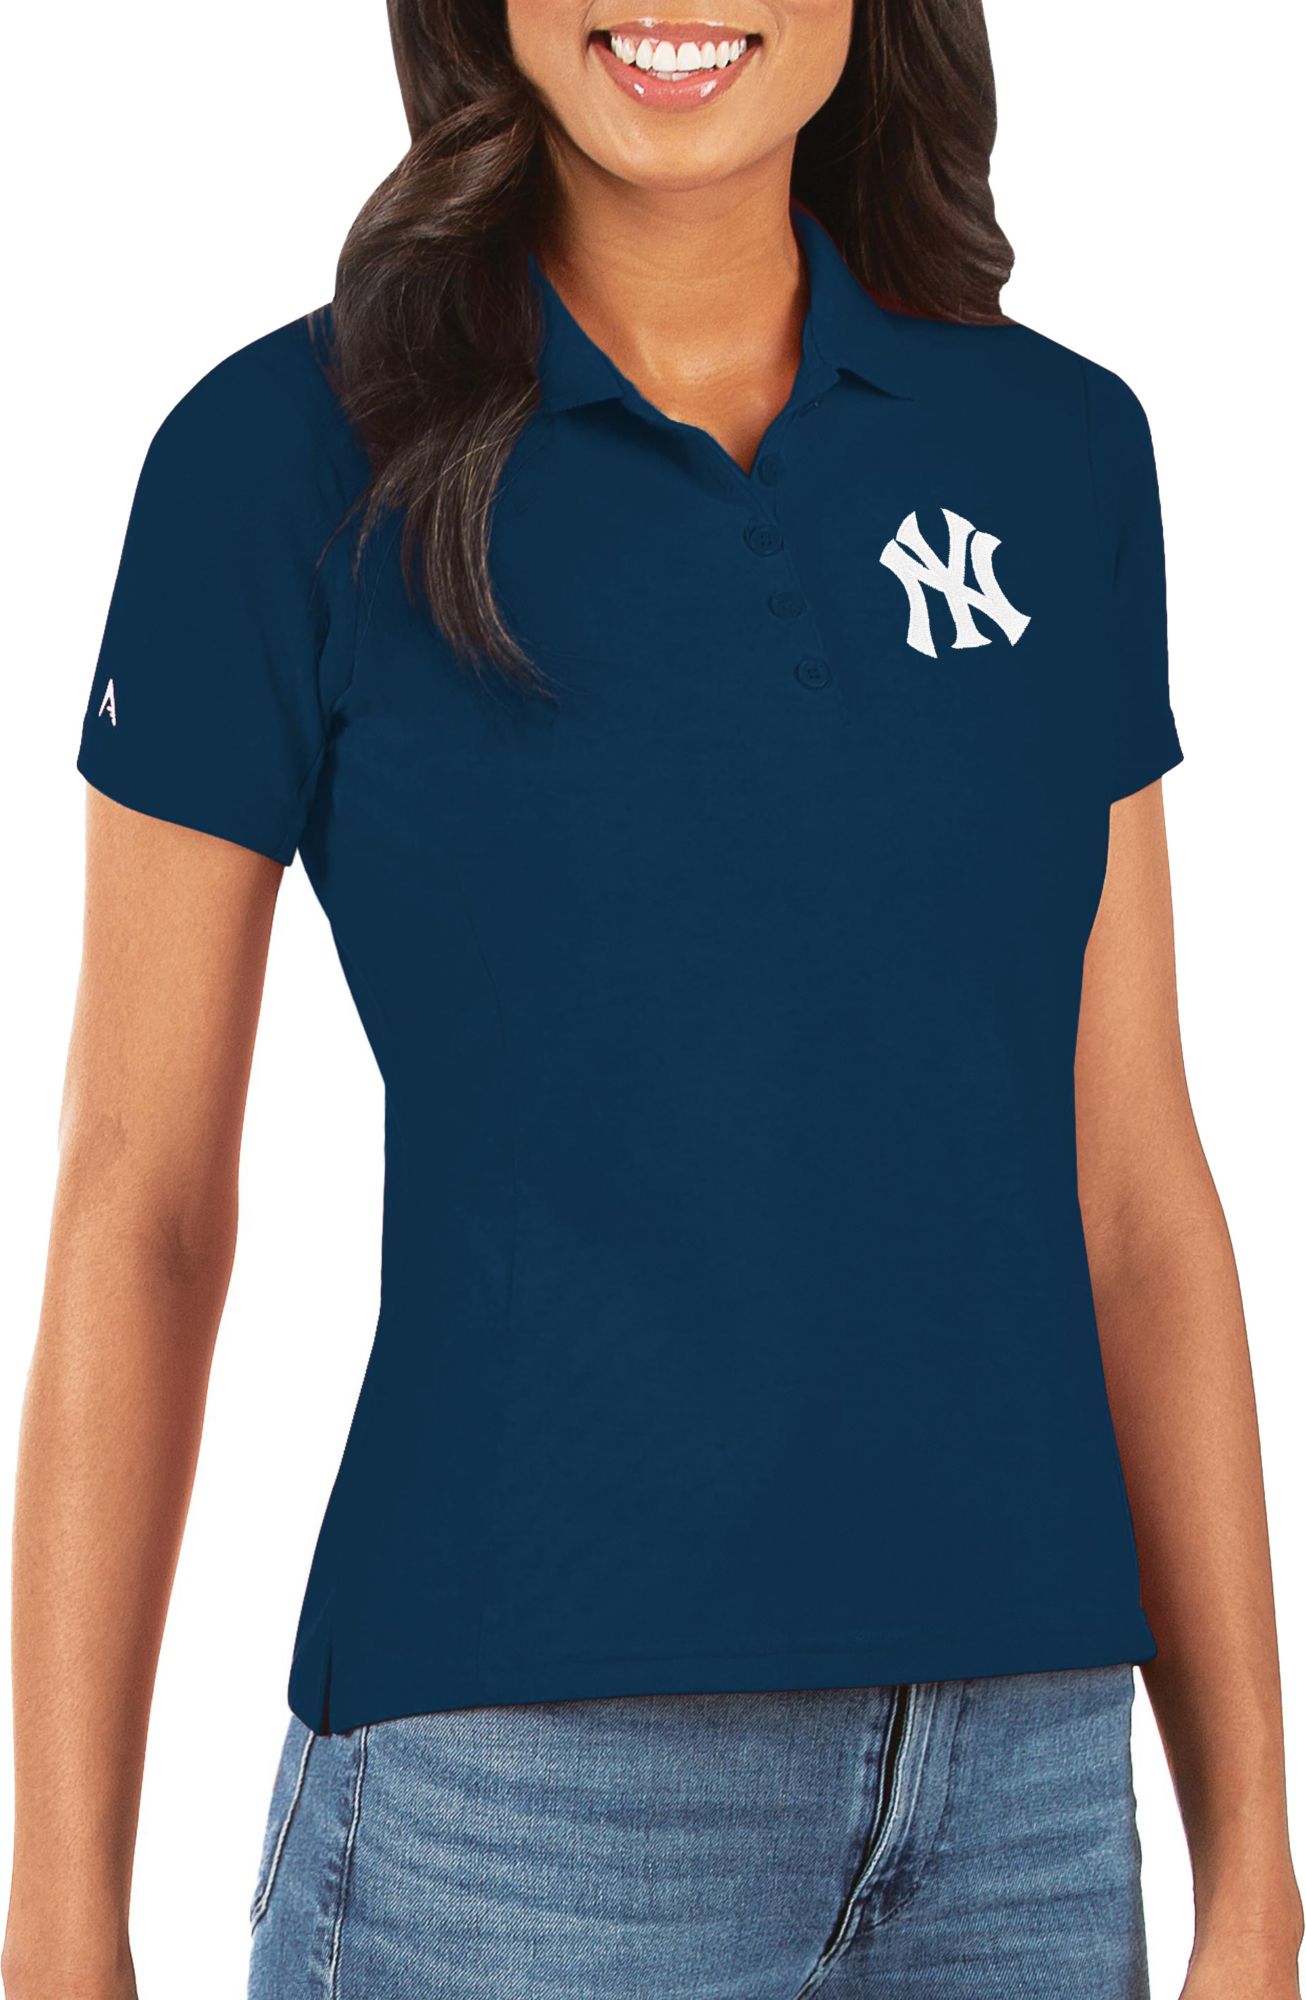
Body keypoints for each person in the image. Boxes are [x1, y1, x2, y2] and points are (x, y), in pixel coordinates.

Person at [4, 0, 1301, 1994]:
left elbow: (1130, 1190)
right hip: (522, 1797)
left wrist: (1254, 1870)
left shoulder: (1052, 449)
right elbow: (138, 1200)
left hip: (1030, 1791)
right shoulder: (279, 460)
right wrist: (56, 1920)